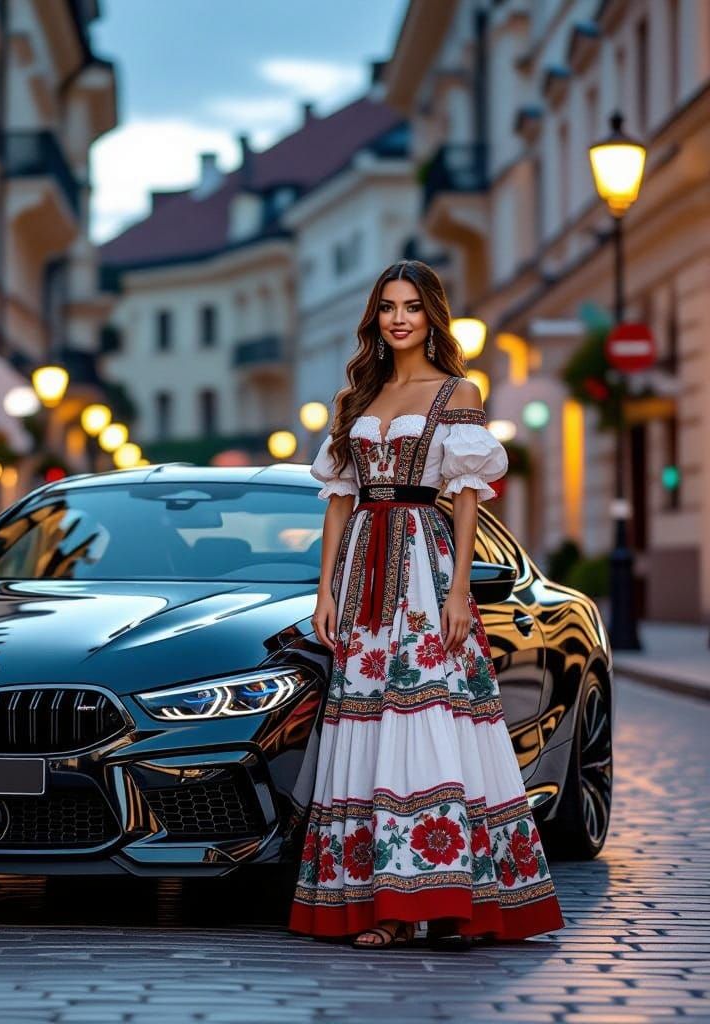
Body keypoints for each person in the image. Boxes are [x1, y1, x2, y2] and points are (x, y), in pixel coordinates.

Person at [289, 259, 565, 950]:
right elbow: (339, 501)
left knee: (429, 715)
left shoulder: (457, 392)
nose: (399, 318)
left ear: (431, 314)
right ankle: (379, 902)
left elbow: (466, 499)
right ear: (375, 318)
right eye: (388, 306)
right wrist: (325, 589)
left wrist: (460, 591)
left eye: (412, 306)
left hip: (424, 564)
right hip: (363, 569)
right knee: (368, 717)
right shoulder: (356, 396)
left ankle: (438, 896)